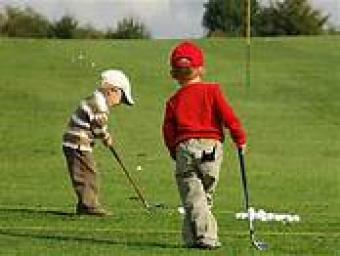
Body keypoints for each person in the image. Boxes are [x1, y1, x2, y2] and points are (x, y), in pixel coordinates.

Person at [162, 41, 246, 249]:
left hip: (184, 147)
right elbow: (229, 117)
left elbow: (168, 131)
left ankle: (200, 238)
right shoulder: (213, 91)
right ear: (201, 68)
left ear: (174, 73)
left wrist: (175, 151)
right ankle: (199, 238)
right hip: (211, 148)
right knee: (202, 196)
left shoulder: (173, 101)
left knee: (194, 196)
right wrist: (240, 139)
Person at [62, 69, 134, 216]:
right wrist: (106, 138)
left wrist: (104, 136)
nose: (119, 103)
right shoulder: (99, 105)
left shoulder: (95, 100)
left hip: (77, 142)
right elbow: (98, 127)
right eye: (121, 98)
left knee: (85, 172)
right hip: (78, 143)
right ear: (112, 91)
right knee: (87, 173)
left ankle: (85, 204)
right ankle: (89, 206)